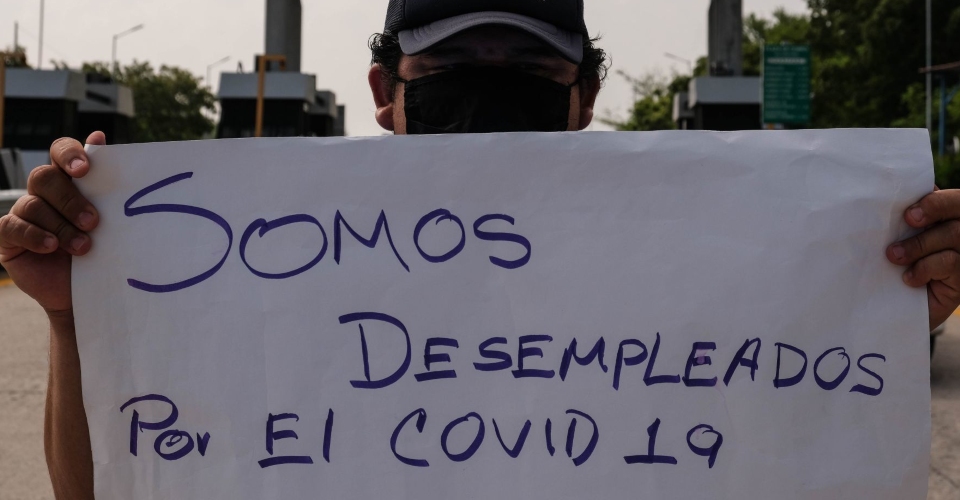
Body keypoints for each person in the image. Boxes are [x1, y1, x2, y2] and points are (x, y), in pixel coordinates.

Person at [0, 0, 955, 498]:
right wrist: (78, 318)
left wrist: (884, 311)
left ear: (583, 96)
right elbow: (113, 491)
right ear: (386, 91)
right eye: (452, 64)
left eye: (530, 66)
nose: (491, 87)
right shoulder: (263, 267)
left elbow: (789, 458)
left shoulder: (696, 264)